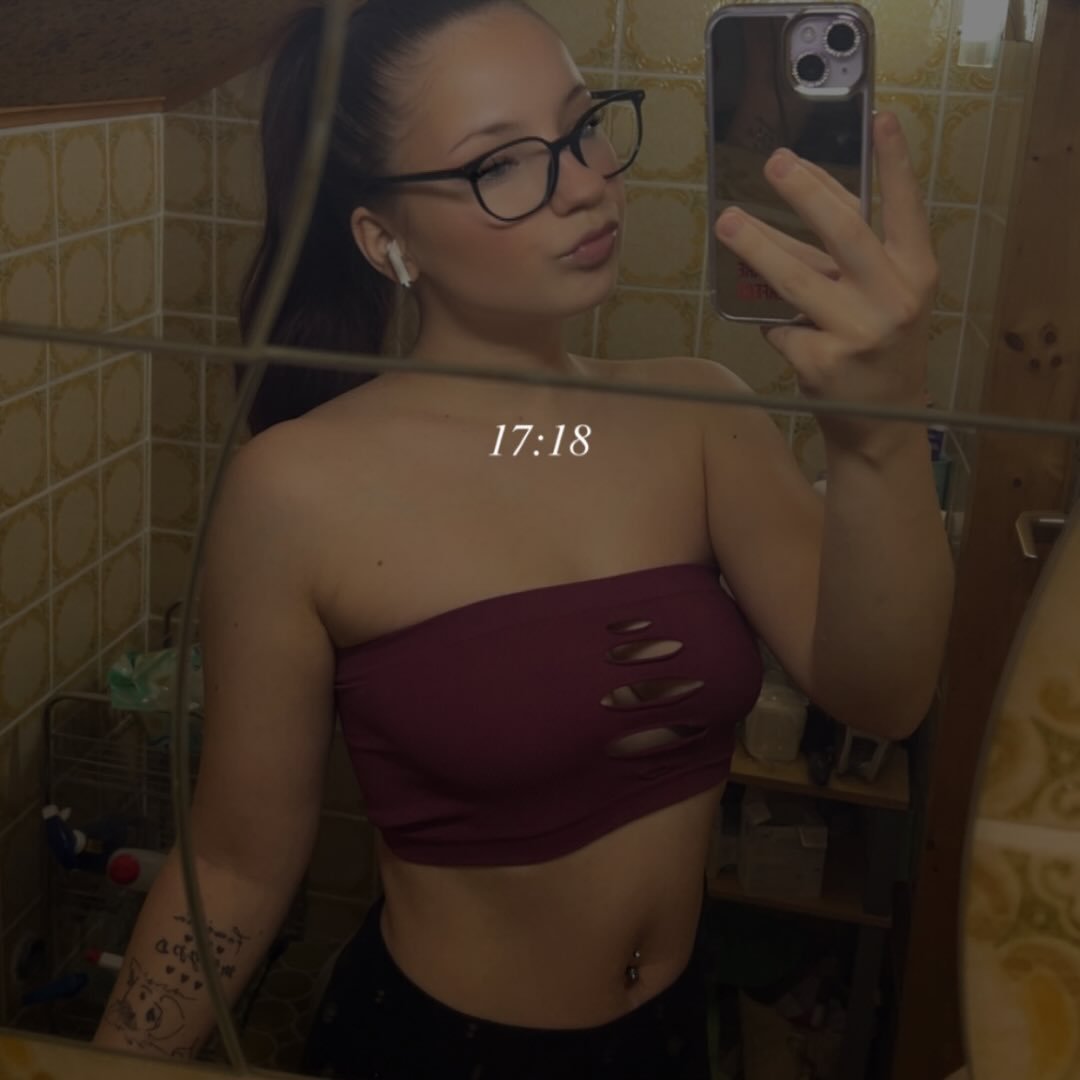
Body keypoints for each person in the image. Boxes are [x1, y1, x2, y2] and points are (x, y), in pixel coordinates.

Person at [91, 1, 954, 1077]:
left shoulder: (701, 415)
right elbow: (235, 863)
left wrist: (880, 433)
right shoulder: (294, 489)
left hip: (672, 1040)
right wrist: (116, 1063)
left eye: (583, 127)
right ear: (385, 240)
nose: (586, 182)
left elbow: (884, 696)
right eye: (501, 163)